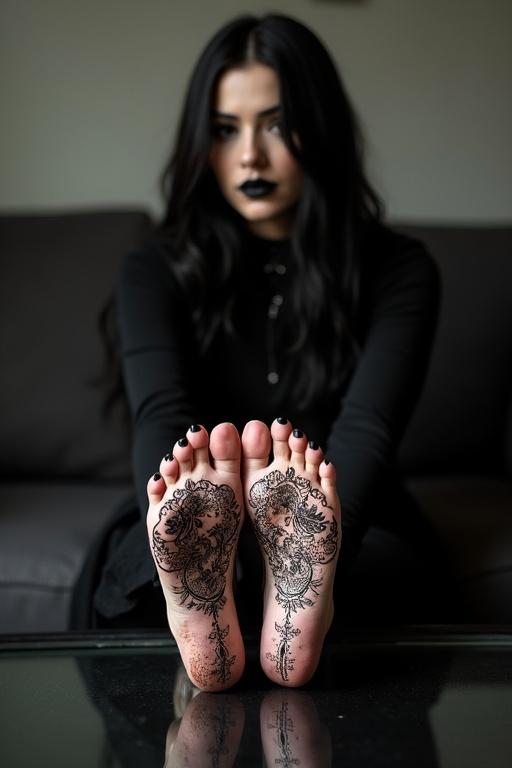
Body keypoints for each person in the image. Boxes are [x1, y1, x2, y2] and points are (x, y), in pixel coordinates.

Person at [75, 13, 443, 691]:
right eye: (225, 130)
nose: (250, 155)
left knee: (371, 566)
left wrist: (321, 539)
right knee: (162, 552)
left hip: (345, 505)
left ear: (322, 129)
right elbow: (161, 415)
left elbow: (367, 431)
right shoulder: (153, 270)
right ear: (200, 141)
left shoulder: (398, 270)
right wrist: (182, 518)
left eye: (276, 124)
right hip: (199, 509)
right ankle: (215, 583)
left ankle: (296, 585)